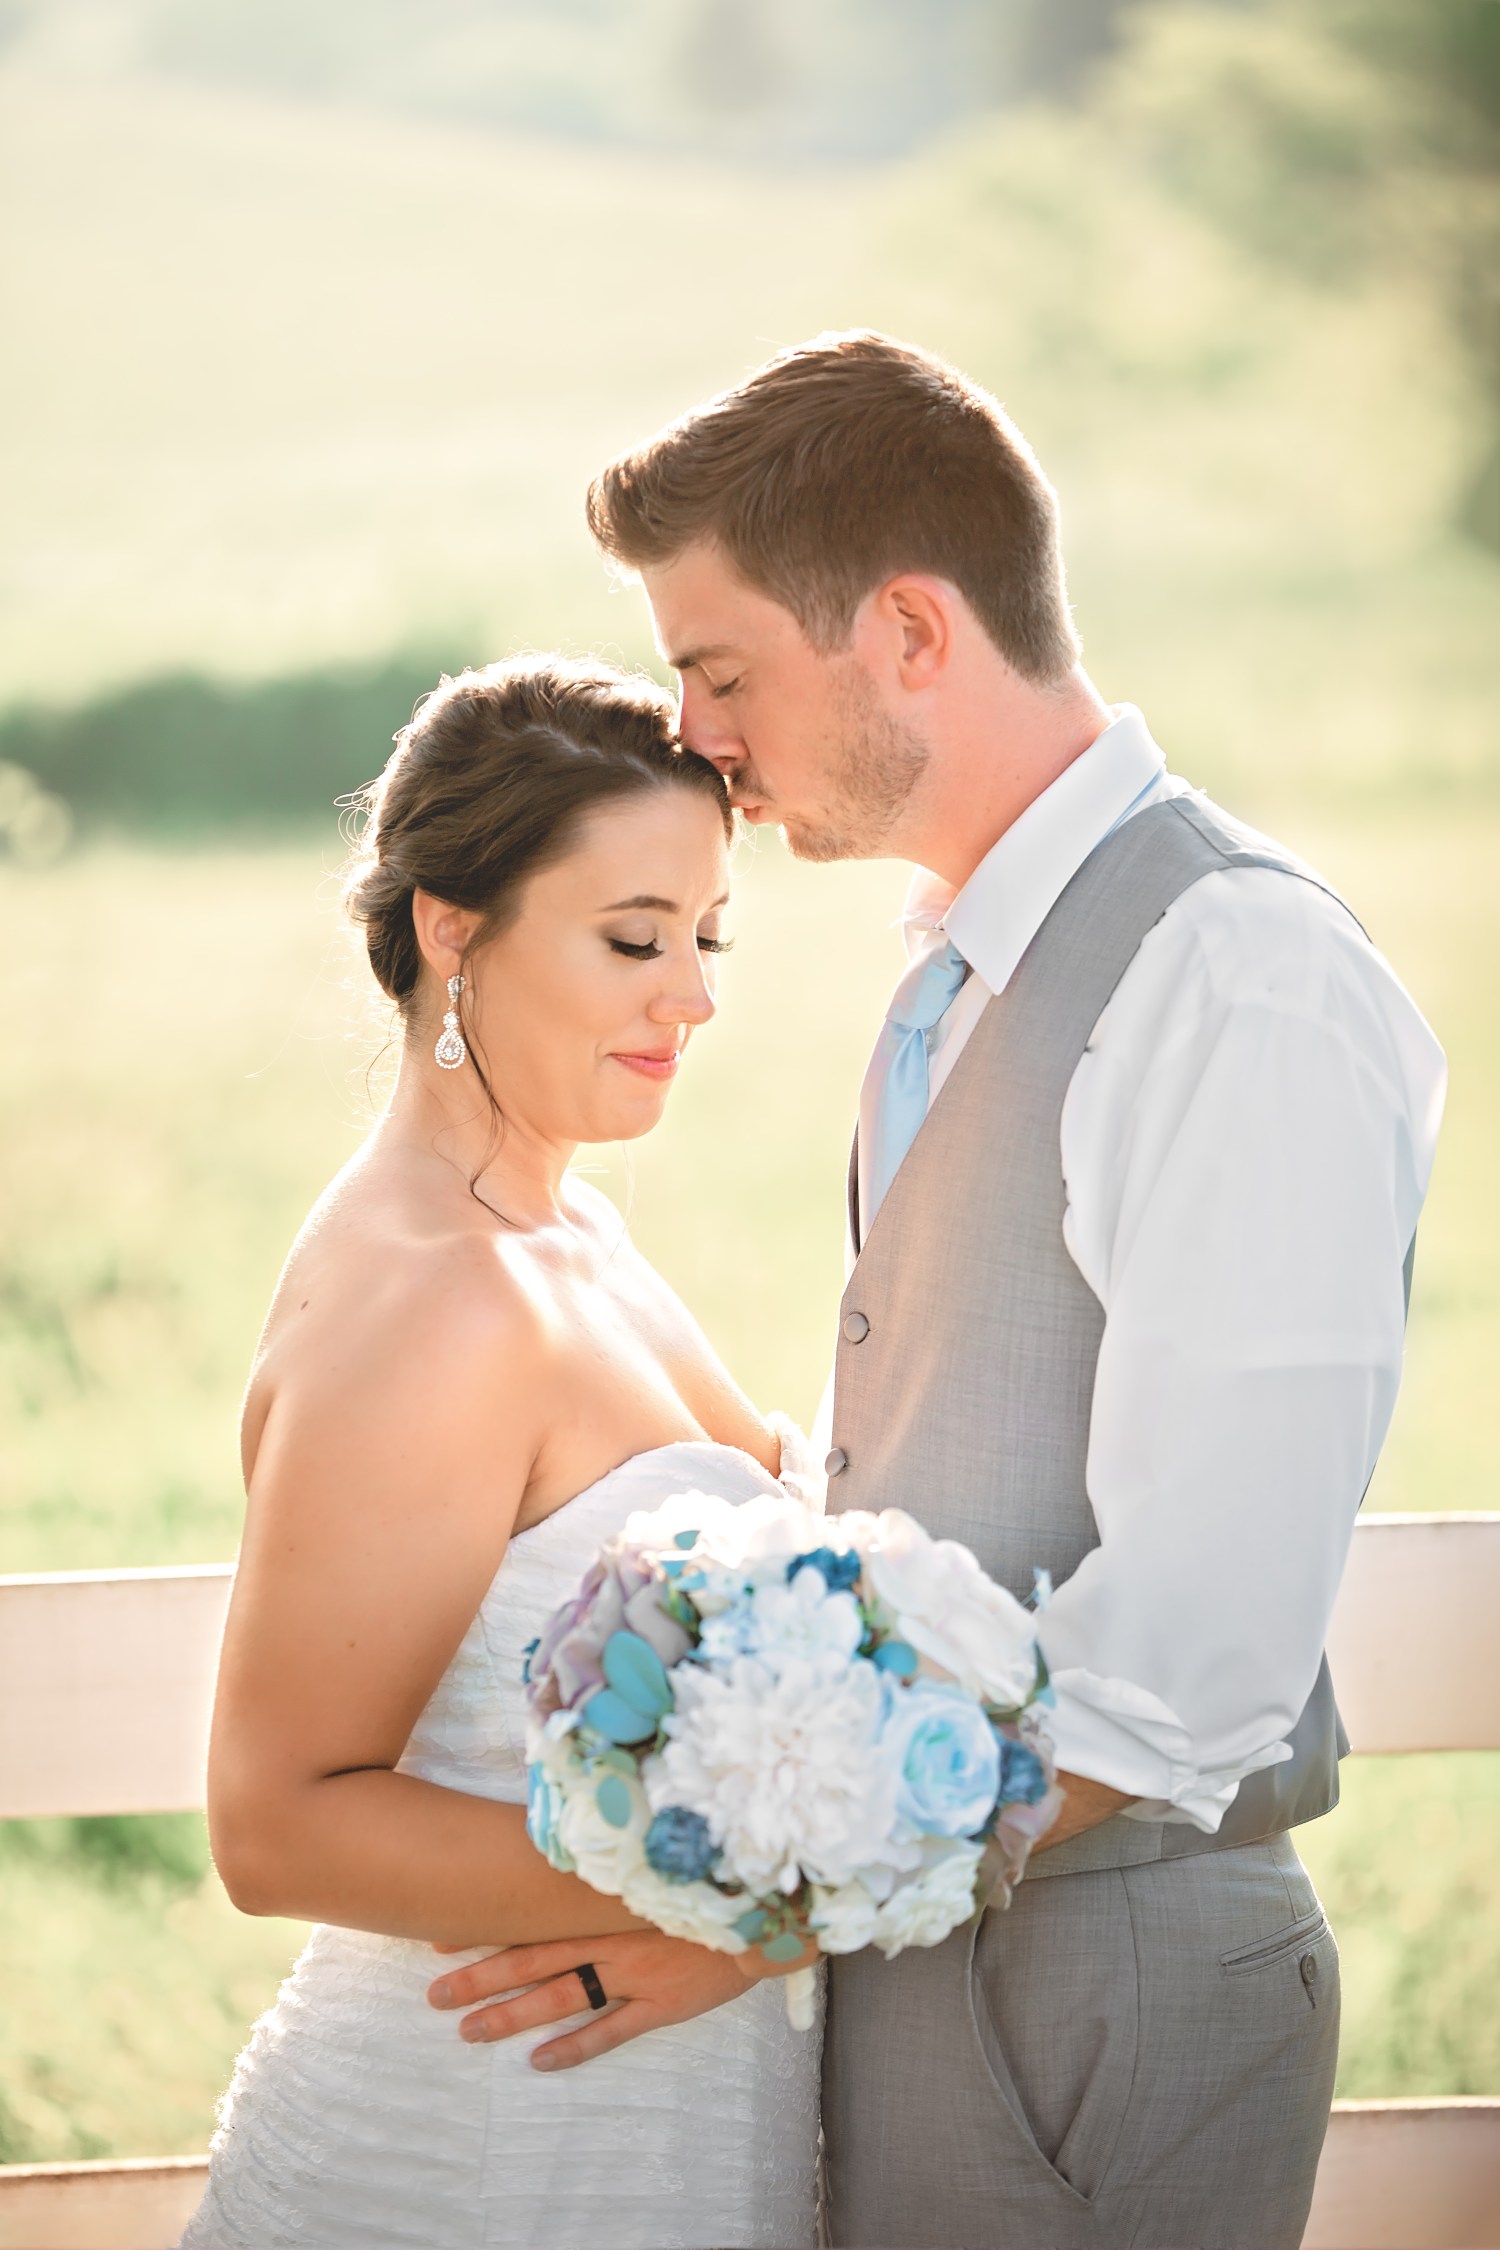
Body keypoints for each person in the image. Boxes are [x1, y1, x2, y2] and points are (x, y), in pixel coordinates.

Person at [434, 334, 1446, 2250]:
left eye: (721, 670)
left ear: (907, 628)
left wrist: (765, 1920)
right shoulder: (959, 966)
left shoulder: (1237, 971)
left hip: (1105, 1990)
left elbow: (1198, 1644)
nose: (696, 736)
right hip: (945, 1942)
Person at [179, 656, 822, 2250]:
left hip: (649, 2136)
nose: (693, 996)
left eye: (707, 935)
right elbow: (276, 1820)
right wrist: (747, 1897)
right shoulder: (434, 1300)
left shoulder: (571, 1229)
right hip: (483, 2154)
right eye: (634, 938)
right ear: (452, 927)